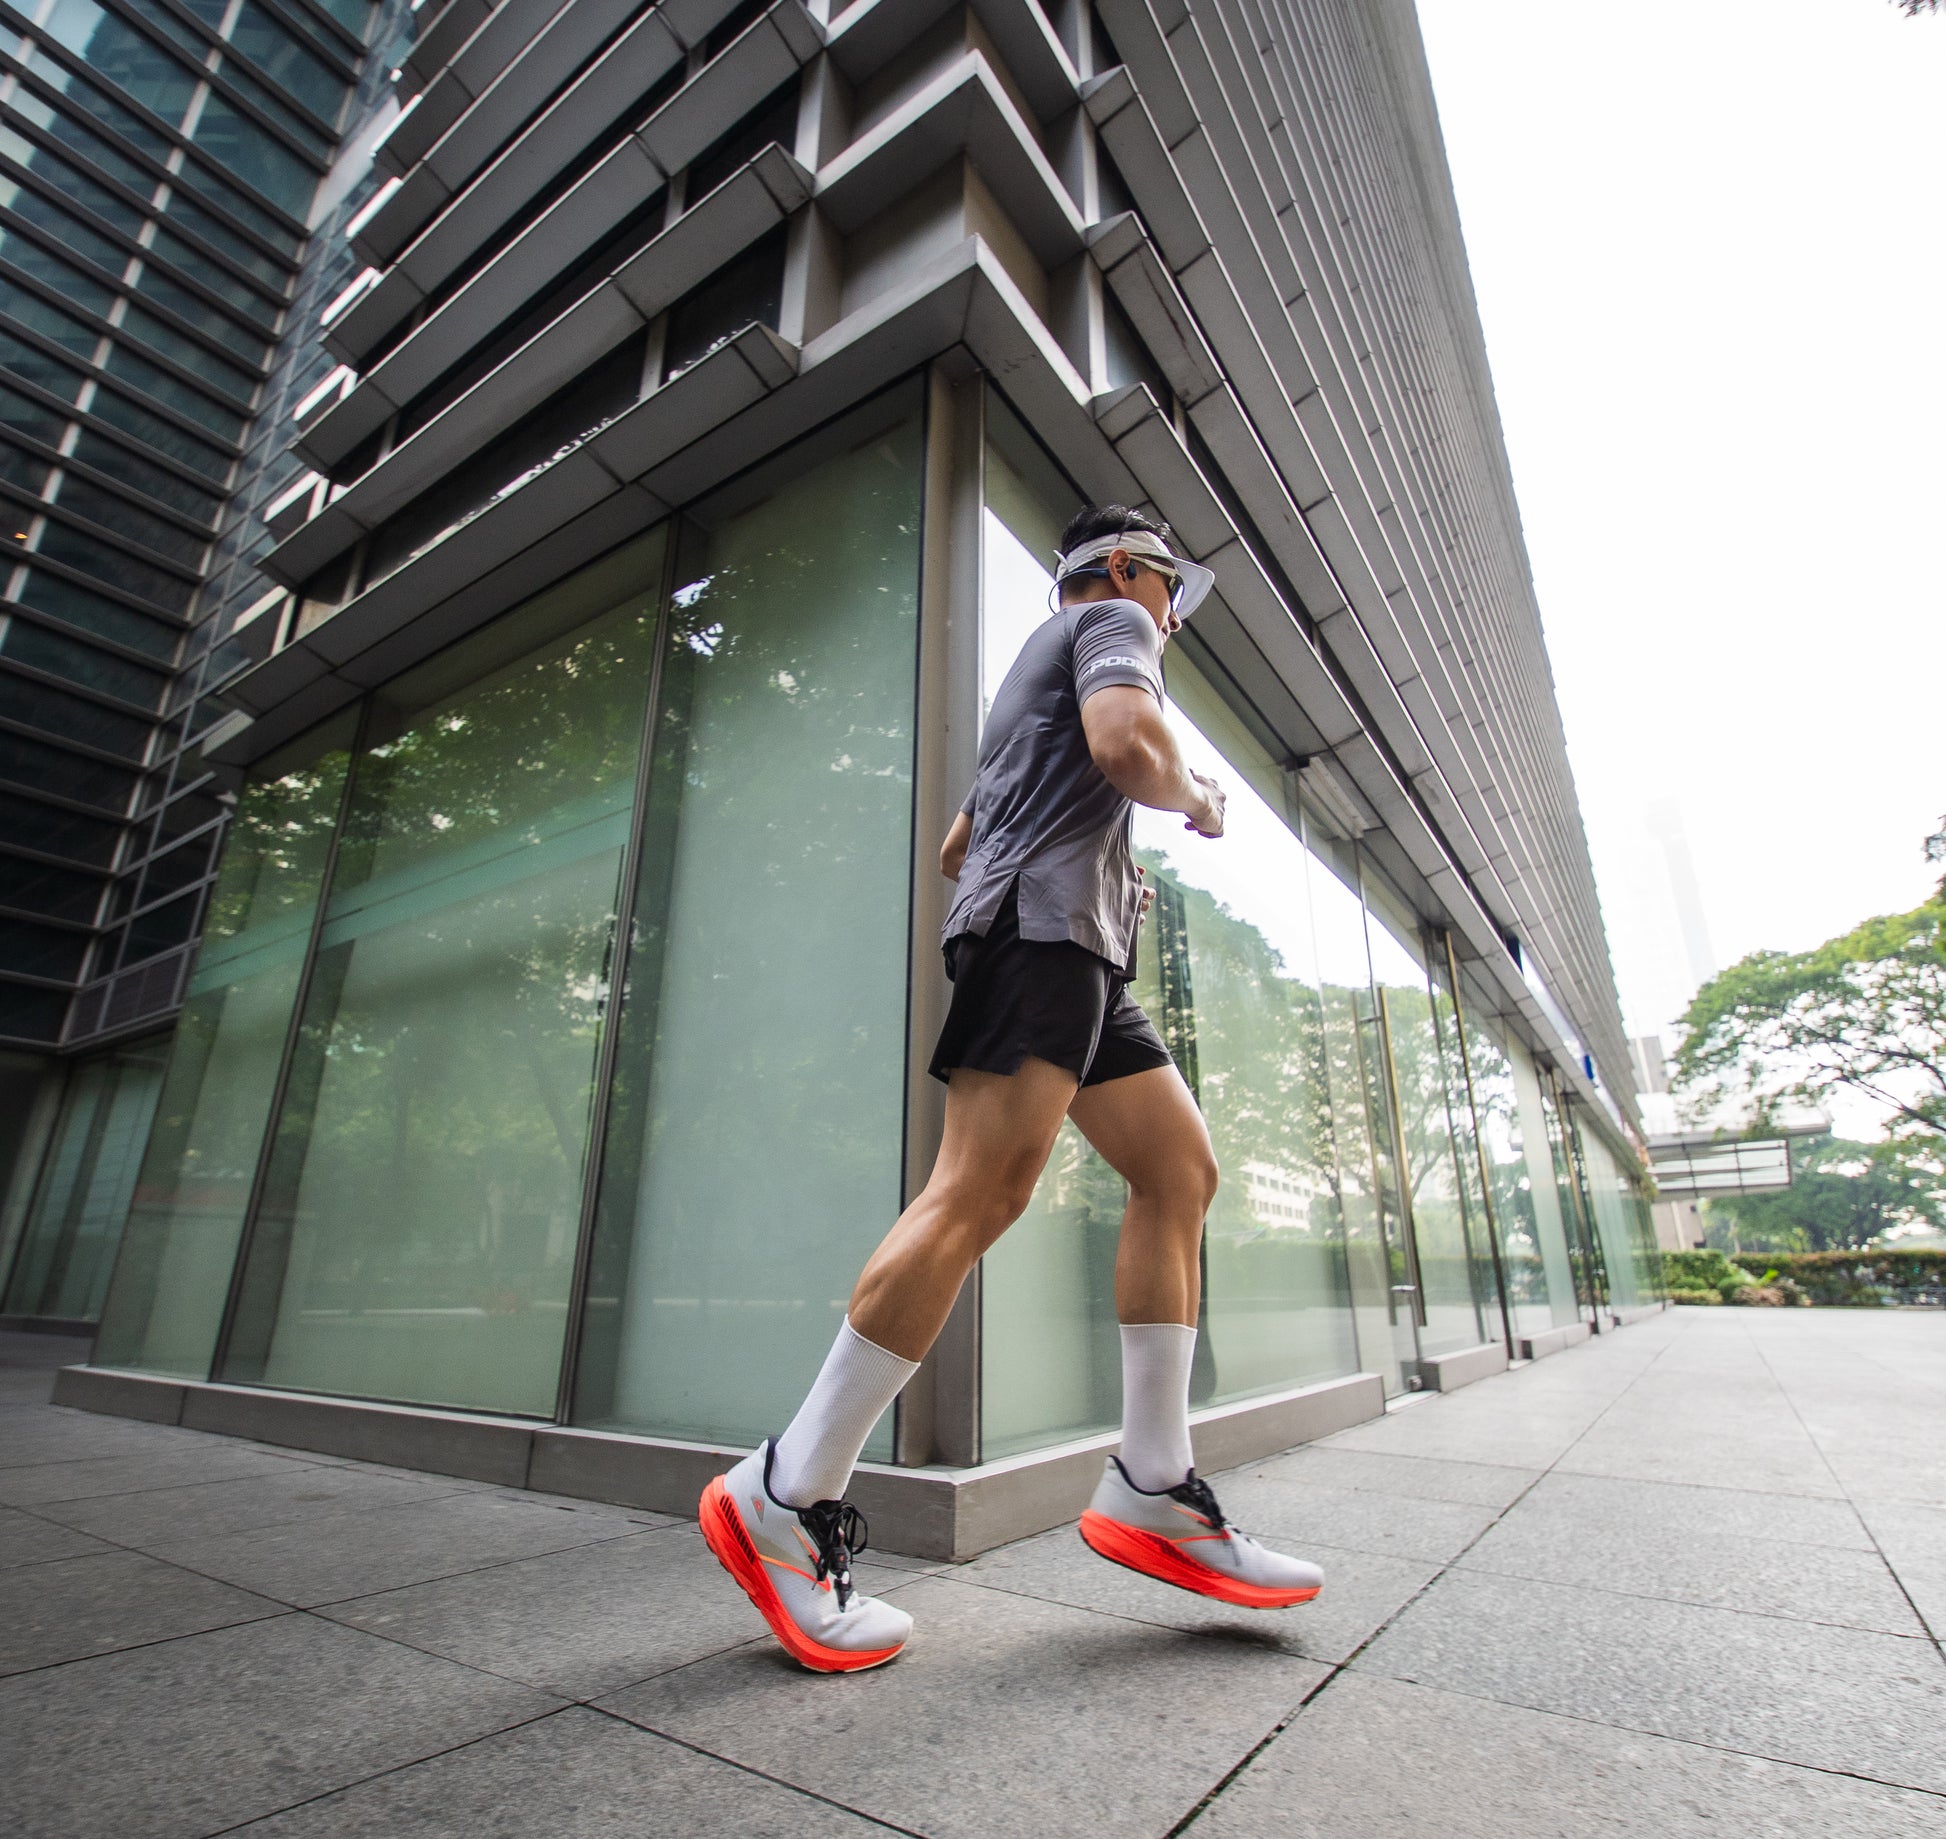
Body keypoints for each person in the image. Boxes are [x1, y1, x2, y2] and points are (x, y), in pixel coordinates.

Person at [699, 506, 1325, 1672]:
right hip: (1042, 939)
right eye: (1170, 589)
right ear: (1128, 570)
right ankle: (783, 1491)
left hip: (1072, 942)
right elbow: (1128, 749)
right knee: (975, 1192)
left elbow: (955, 845)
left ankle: (1149, 1482)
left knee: (1177, 1170)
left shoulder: (1024, 689)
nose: (1172, 616)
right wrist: (1195, 798)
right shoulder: (1107, 625)